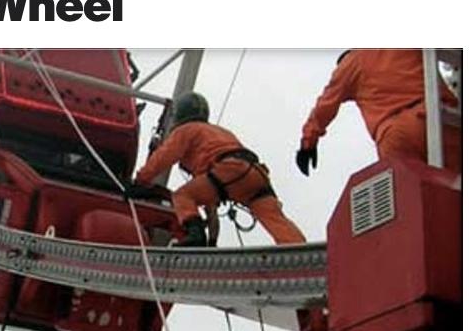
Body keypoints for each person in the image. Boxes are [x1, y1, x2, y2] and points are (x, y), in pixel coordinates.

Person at [134, 92, 306, 246]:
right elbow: (211, 210)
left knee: (182, 196)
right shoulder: (219, 132)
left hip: (229, 172)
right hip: (255, 174)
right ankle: (298, 248)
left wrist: (140, 181)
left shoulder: (186, 130)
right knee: (274, 218)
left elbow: (162, 158)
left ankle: (195, 236)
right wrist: (212, 242)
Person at [296, 49, 461, 176]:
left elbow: (325, 105)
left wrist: (307, 144)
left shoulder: (353, 62)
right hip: (441, 118)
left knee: (410, 201)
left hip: (397, 136)